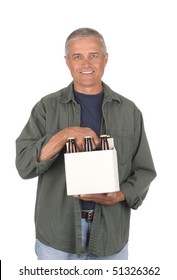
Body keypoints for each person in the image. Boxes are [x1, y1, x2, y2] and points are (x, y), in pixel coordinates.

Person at [15, 27, 156, 260]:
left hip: (111, 238)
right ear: (67, 62)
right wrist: (64, 135)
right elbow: (24, 165)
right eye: (77, 56)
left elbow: (144, 170)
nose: (86, 63)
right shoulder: (46, 108)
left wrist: (119, 196)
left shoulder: (129, 112)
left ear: (105, 59)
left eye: (93, 55)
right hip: (58, 239)